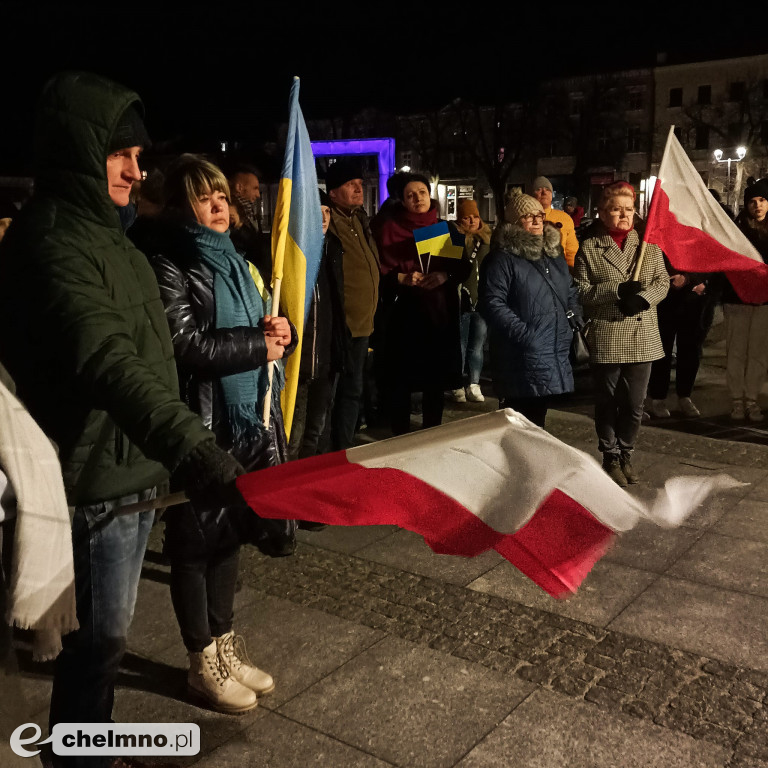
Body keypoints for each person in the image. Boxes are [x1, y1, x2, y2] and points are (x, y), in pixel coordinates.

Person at [0, 72, 243, 767]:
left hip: (132, 469)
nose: (138, 170)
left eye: (141, 157)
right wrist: (193, 449)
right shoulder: (52, 242)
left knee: (106, 639)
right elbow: (107, 357)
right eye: (120, 154)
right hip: (91, 481)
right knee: (98, 643)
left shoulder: (117, 242)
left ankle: (90, 750)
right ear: (77, 150)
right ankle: (78, 756)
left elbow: (150, 355)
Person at [147, 154, 296, 713]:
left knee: (229, 533)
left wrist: (280, 331)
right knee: (192, 540)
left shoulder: (237, 261)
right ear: (183, 206)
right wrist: (259, 345)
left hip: (245, 421)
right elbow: (185, 348)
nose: (217, 205)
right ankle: (200, 659)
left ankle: (225, 641)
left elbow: (257, 328)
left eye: (221, 196)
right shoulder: (169, 262)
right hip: (200, 422)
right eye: (204, 196)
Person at [573, 181, 669, 486]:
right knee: (608, 400)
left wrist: (642, 298)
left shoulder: (648, 246)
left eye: (629, 209)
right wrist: (616, 291)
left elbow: (662, 282)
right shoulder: (590, 248)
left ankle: (627, 452)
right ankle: (610, 455)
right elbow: (582, 292)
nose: (623, 215)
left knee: (635, 403)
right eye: (616, 209)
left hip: (642, 335)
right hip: (608, 334)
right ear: (602, 213)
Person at [374, 173, 471, 434]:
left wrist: (443, 275)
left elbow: (464, 268)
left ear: (430, 195)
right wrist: (401, 278)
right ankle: (400, 438)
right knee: (401, 384)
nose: (418, 198)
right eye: (410, 195)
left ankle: (432, 434)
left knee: (434, 383)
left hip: (438, 318)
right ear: (402, 201)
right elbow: (376, 274)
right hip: (403, 318)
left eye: (422, 192)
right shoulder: (387, 229)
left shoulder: (447, 227)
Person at [478, 194, 580, 427]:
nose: (536, 221)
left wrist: (573, 316)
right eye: (528, 217)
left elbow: (570, 289)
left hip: (551, 346)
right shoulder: (501, 259)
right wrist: (526, 335)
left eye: (539, 216)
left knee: (538, 416)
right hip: (520, 351)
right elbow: (492, 303)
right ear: (514, 222)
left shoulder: (553, 254)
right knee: (518, 419)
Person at [325, 159, 380, 449]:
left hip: (363, 324)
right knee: (342, 391)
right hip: (341, 325)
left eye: (359, 184)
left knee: (353, 389)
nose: (358, 188)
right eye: (350, 184)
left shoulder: (359, 219)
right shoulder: (327, 223)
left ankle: (343, 445)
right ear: (332, 193)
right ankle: (337, 451)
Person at [288, 190, 346, 460]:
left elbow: (334, 304)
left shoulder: (332, 248)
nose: (323, 217)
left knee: (316, 429)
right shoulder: (293, 252)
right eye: (317, 211)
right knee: (293, 434)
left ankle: (306, 484)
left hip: (326, 355)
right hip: (299, 359)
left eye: (327, 211)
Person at [721, 178, 768, 422]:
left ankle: (752, 399)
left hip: (764, 303)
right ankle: (737, 401)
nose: (757, 205)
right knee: (736, 352)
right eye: (752, 201)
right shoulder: (735, 231)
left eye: (762, 200)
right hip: (737, 300)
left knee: (758, 353)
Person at [647, 257, 710, 419]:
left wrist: (692, 279)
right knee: (662, 348)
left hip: (693, 298)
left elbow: (710, 258)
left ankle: (685, 395)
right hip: (664, 296)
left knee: (690, 349)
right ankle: (658, 397)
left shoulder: (698, 233)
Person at [451, 198, 491, 404]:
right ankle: (457, 383)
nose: (472, 221)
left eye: (475, 216)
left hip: (482, 299)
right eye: (466, 217)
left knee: (477, 345)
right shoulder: (455, 238)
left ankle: (474, 383)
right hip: (462, 299)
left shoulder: (488, 239)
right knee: (460, 344)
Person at [227, 164, 272, 285]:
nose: (258, 194)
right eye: (255, 188)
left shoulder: (247, 214)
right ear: (239, 187)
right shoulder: (230, 215)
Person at [532, 176, 579, 269]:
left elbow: (571, 250)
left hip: (560, 269)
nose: (544, 192)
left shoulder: (564, 218)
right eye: (539, 189)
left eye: (547, 189)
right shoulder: (528, 218)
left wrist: (571, 270)